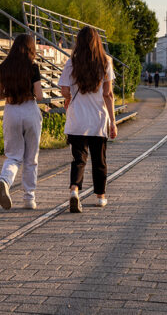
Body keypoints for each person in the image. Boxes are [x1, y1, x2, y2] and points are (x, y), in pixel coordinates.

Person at [59, 27, 117, 213]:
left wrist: (68, 98)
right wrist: (113, 122)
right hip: (98, 119)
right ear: (97, 42)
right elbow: (108, 95)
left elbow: (64, 90)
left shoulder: (72, 63)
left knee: (79, 159)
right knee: (99, 160)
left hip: (77, 119)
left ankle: (74, 190)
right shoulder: (106, 62)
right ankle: (100, 196)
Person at [0, 34, 44, 210]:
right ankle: (29, 198)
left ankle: (5, 180)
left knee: (13, 155)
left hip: (11, 111)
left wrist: (11, 94)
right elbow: (39, 95)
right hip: (30, 110)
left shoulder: (4, 67)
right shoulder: (33, 67)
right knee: (31, 158)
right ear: (31, 49)